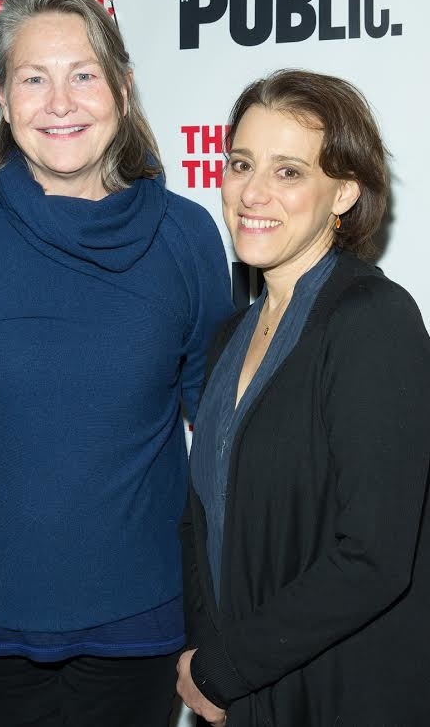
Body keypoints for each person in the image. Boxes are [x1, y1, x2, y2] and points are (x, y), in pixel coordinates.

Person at [0, 0, 233, 727]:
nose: (60, 102)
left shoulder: (186, 238)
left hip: (140, 631)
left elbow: (218, 436)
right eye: (33, 78)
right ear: (2, 97)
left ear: (121, 85)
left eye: (82, 74)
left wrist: (223, 618)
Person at [177, 69, 430, 727]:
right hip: (245, 689)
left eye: (288, 172)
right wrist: (210, 660)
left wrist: (222, 667)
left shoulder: (373, 319)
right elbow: (204, 516)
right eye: (240, 164)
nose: (252, 192)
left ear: (342, 191)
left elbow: (372, 556)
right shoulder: (228, 333)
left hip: (338, 690)